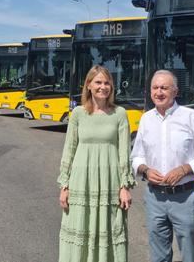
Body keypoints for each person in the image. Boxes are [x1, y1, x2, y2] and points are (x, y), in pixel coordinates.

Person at [131, 70, 194, 262]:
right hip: (154, 198)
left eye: (164, 88)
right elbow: (136, 157)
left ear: (175, 92)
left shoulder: (191, 116)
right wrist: (145, 170)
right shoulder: (146, 119)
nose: (159, 92)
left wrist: (184, 169)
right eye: (155, 88)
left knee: (190, 256)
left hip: (184, 198)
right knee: (158, 255)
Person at [57, 65, 135, 262]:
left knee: (109, 230)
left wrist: (124, 186)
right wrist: (64, 185)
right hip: (80, 183)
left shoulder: (120, 114)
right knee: (80, 228)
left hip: (110, 183)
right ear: (89, 85)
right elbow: (69, 149)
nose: (103, 87)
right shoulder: (78, 114)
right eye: (98, 82)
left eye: (107, 82)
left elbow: (124, 153)